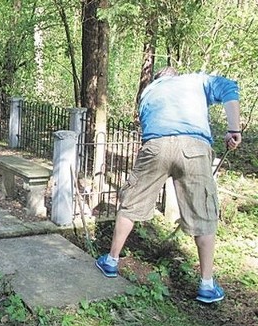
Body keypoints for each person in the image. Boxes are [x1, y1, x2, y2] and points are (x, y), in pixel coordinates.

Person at [95, 67, 242, 304]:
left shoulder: (148, 92)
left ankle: (111, 260)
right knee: (203, 213)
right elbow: (229, 87)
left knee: (131, 202)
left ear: (158, 79)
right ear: (174, 75)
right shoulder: (195, 80)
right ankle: (206, 284)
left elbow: (146, 125)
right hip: (194, 146)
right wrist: (233, 130)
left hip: (156, 145)